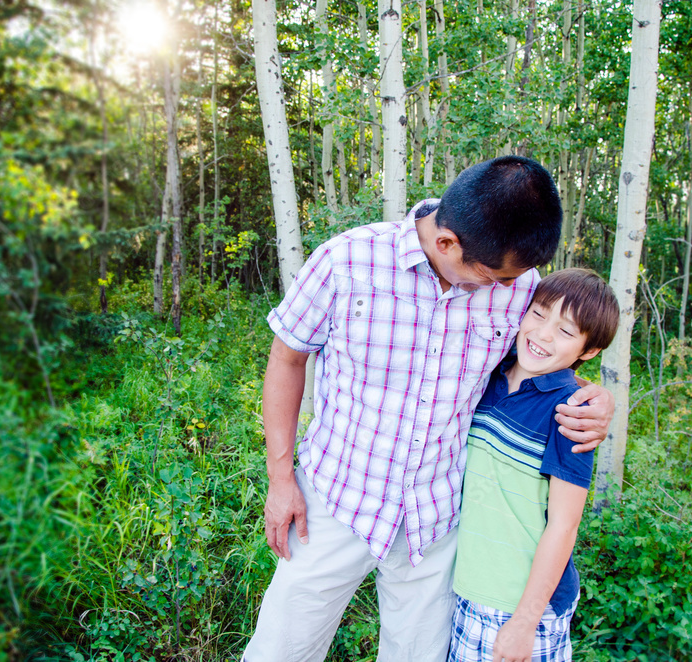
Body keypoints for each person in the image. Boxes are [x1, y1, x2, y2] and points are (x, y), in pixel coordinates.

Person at [243, 156, 615, 662]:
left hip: (435, 518)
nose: (508, 289)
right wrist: (280, 478)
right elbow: (287, 358)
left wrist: (594, 397)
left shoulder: (521, 288)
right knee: (280, 651)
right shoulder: (345, 261)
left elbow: (543, 358)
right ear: (446, 244)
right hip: (334, 502)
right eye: (494, 278)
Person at [448, 268, 620, 662]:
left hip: (519, 607)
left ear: (589, 351)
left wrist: (525, 621)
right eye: (539, 314)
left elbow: (564, 524)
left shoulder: (572, 413)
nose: (543, 334)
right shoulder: (489, 375)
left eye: (565, 330)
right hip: (467, 588)